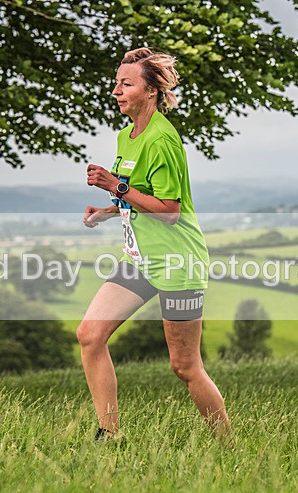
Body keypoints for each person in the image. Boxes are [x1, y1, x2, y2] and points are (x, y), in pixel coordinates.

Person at [78, 47, 232, 443]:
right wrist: (107, 209)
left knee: (184, 366)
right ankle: (108, 435)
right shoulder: (126, 136)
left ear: (150, 91)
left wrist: (115, 185)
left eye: (126, 84)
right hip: (142, 259)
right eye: (116, 83)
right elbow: (137, 195)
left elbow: (169, 211)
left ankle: (227, 444)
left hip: (177, 262)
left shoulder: (163, 139)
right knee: (90, 336)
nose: (116, 90)